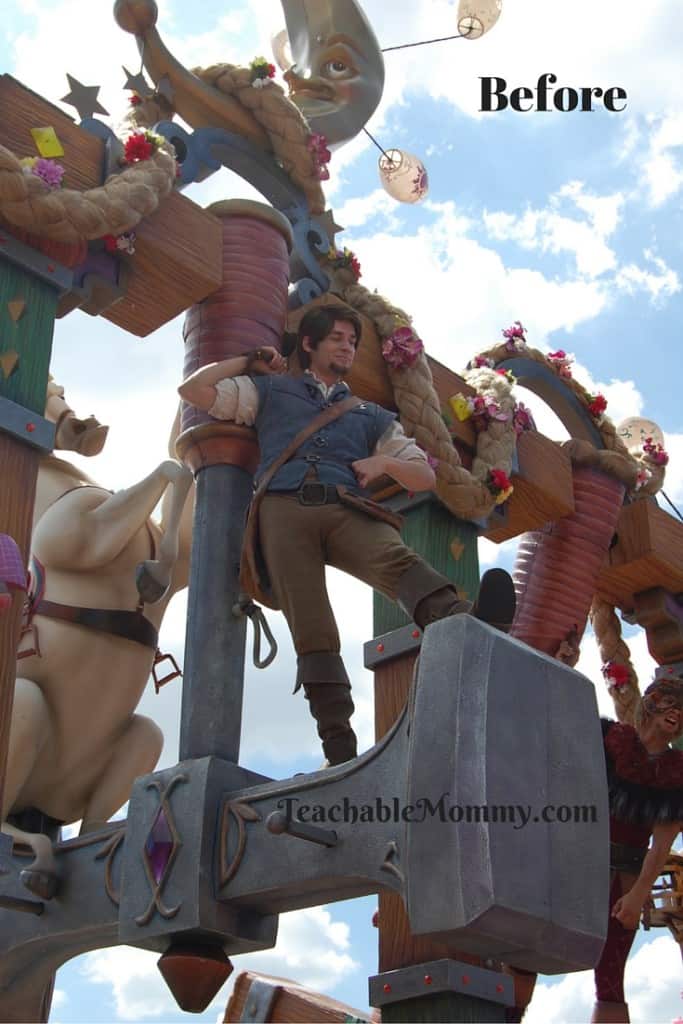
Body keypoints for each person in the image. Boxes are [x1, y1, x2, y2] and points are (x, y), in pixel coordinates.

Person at [179, 304, 515, 766]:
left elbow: (424, 476)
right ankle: (338, 747)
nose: (347, 347)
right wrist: (250, 361)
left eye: (352, 341)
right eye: (337, 338)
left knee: (394, 559)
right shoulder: (271, 391)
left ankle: (472, 629)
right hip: (282, 511)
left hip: (344, 507)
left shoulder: (369, 415)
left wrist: (385, 464)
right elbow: (194, 389)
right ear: (310, 345)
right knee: (313, 627)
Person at [592, 674, 683, 1024]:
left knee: (611, 981)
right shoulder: (609, 738)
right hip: (578, 864)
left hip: (626, 878)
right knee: (531, 952)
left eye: (682, 707)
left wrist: (638, 894)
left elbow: (661, 845)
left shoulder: (676, 773)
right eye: (669, 701)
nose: (676, 711)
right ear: (651, 701)